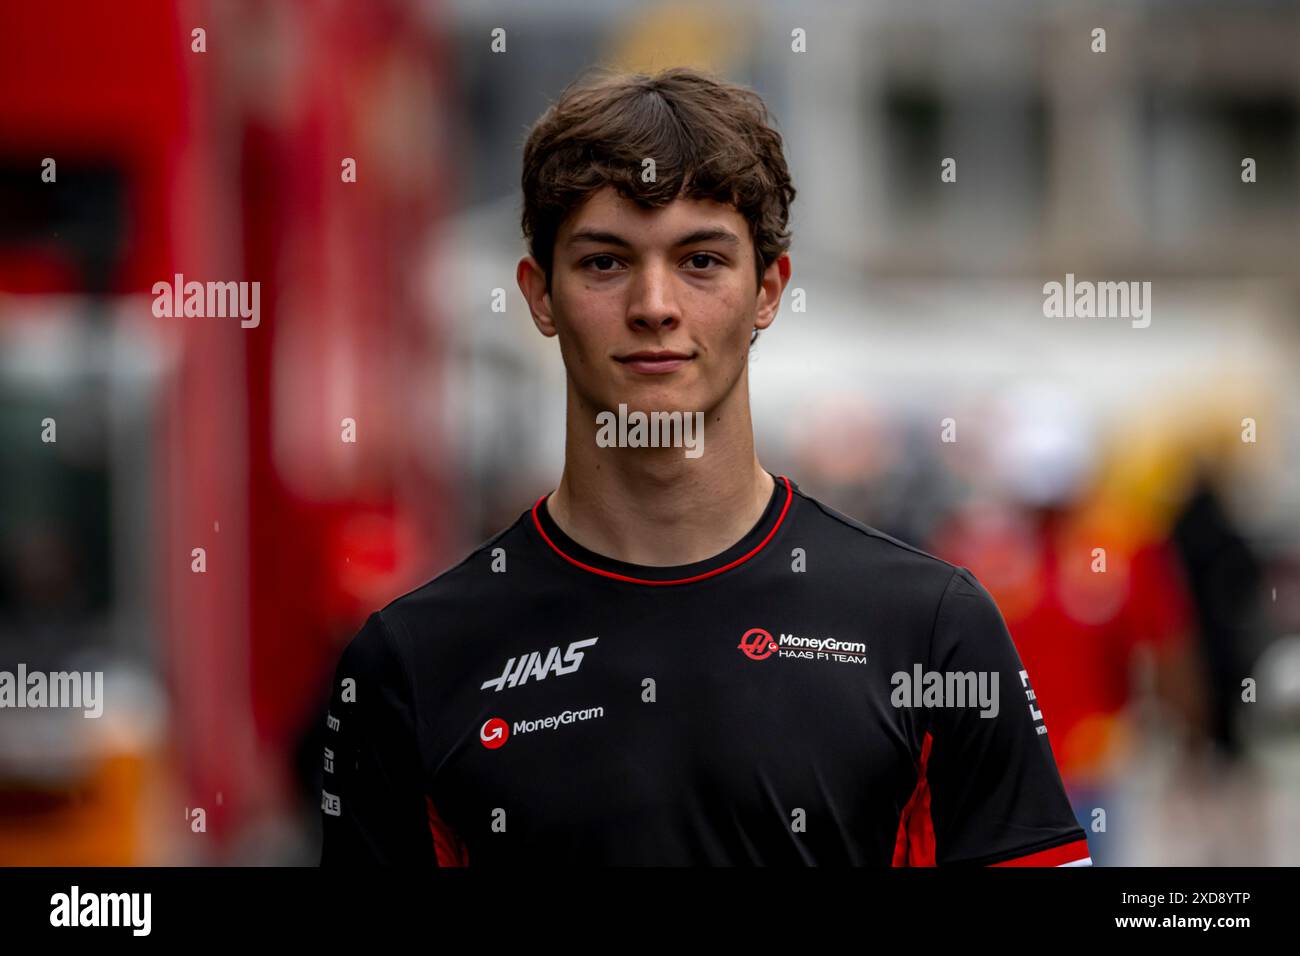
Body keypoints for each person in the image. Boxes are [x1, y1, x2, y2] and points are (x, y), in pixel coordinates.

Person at [318, 66, 1089, 866]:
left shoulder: (930, 628)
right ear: (540, 295)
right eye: (606, 263)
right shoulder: (410, 661)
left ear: (768, 290)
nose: (655, 304)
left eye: (701, 260)